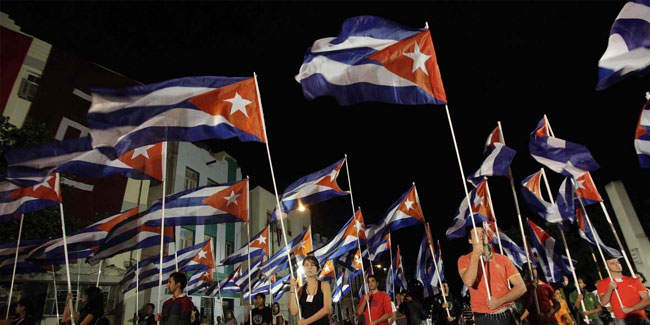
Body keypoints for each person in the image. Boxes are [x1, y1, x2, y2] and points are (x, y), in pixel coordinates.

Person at [457, 226, 527, 324]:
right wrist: (476, 255)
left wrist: (500, 301)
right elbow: (469, 281)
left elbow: (521, 287)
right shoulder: (464, 260)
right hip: (483, 317)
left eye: (483, 232)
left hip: (507, 314)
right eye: (476, 233)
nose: (481, 234)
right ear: (470, 240)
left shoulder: (503, 259)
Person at [597, 258, 650, 325]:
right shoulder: (603, 283)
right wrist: (609, 289)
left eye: (618, 262)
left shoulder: (634, 281)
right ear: (606, 267)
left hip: (640, 318)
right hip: (621, 320)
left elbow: (647, 300)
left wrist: (631, 308)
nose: (617, 265)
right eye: (612, 263)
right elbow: (603, 302)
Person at [289, 255, 332, 325]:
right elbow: (294, 312)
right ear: (303, 269)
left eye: (313, 265)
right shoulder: (300, 289)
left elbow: (327, 309)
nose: (309, 267)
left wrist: (306, 322)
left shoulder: (324, 285)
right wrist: (292, 287)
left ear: (317, 269)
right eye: (306, 265)